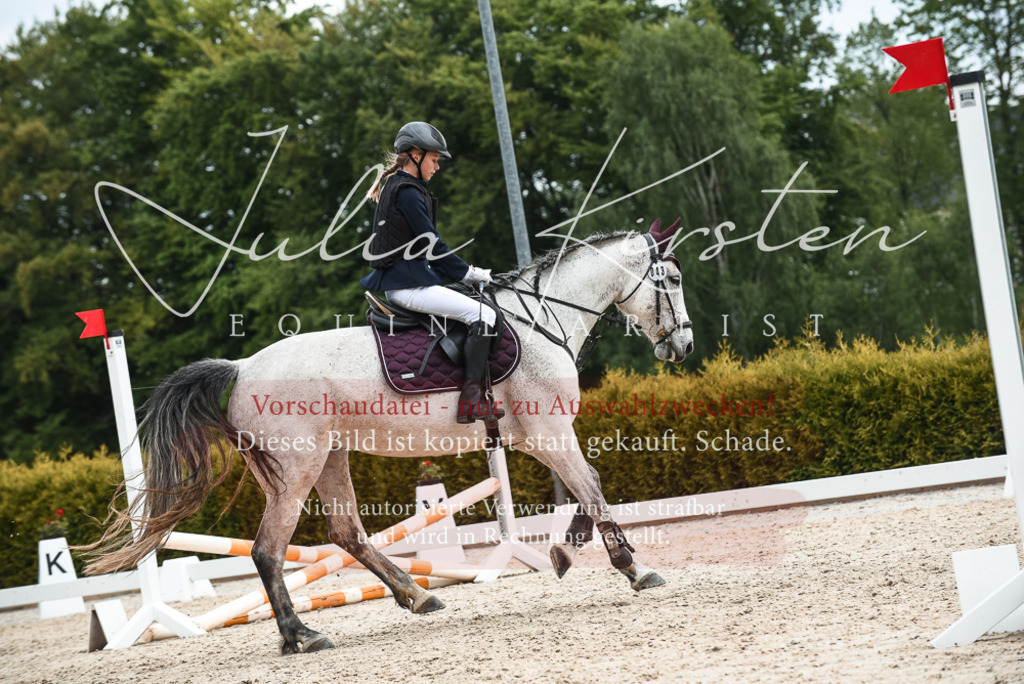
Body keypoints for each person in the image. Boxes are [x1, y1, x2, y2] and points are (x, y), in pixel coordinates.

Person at [361, 121, 504, 424]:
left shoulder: (399, 187)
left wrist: (463, 274)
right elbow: (431, 244)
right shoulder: (408, 192)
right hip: (409, 287)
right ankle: (471, 402)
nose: (437, 166)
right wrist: (468, 273)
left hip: (408, 282)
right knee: (485, 316)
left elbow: (425, 247)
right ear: (415, 155)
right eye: (435, 159)